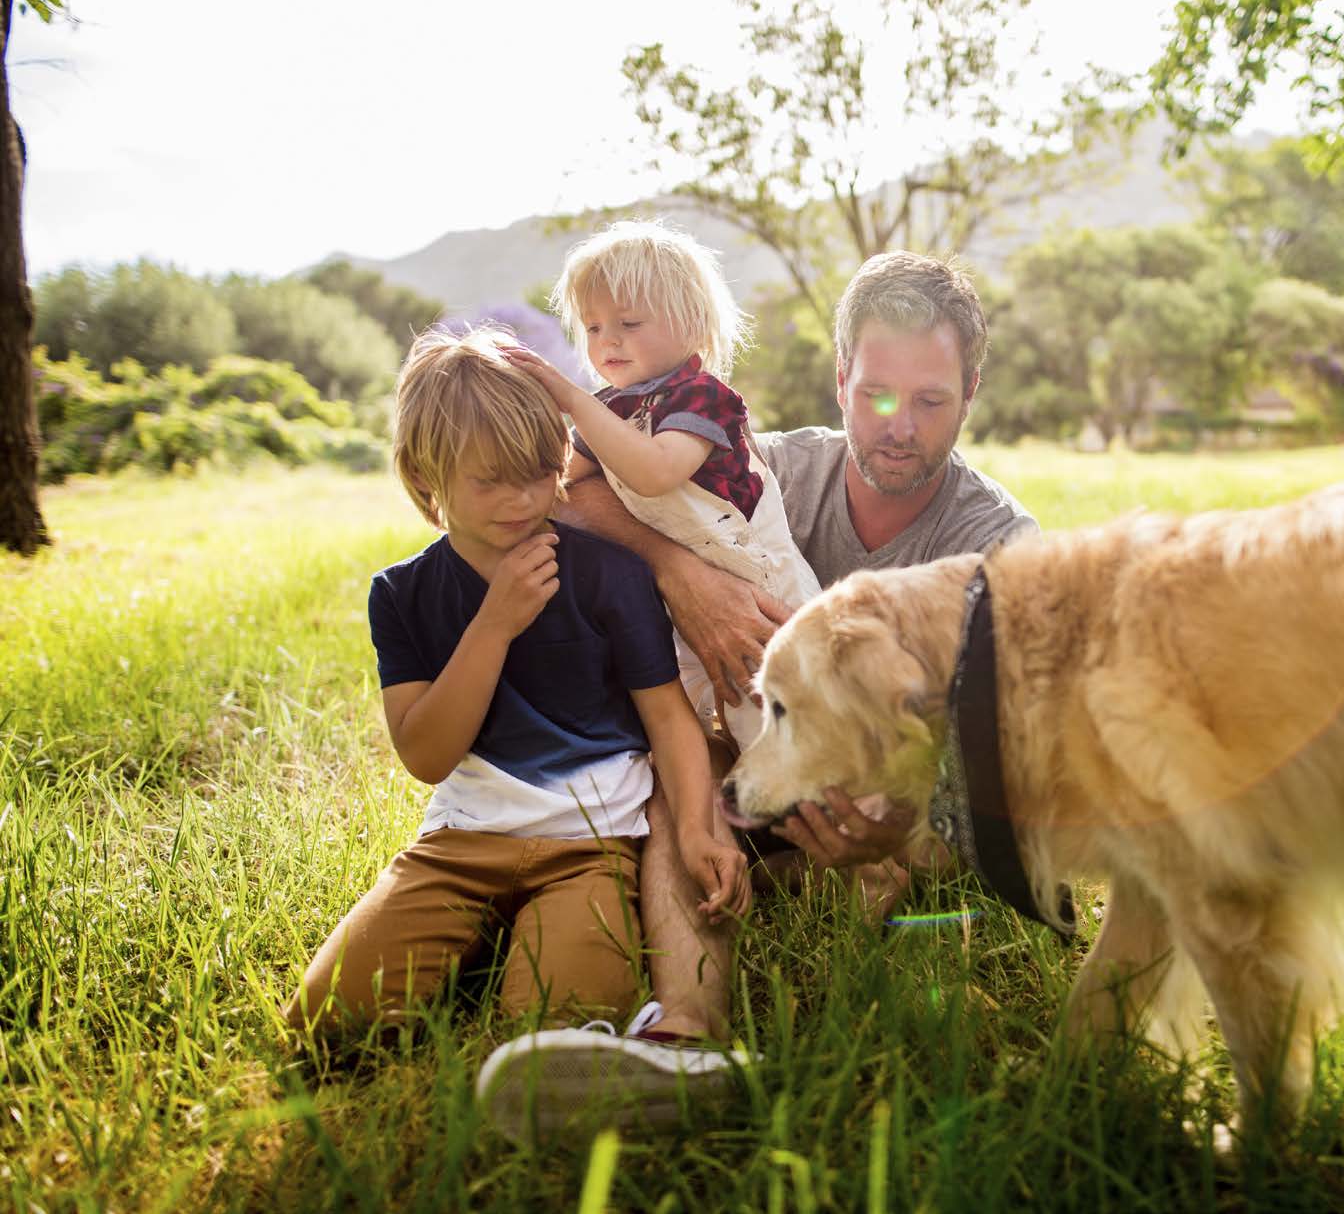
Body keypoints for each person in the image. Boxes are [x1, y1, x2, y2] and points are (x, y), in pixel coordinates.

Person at [475, 250, 1035, 1127]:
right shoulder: (766, 462)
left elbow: (1005, 751)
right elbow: (575, 499)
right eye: (876, 394)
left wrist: (898, 816)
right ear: (841, 377)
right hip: (752, 769)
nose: (899, 426)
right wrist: (680, 573)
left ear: (970, 393)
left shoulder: (996, 543)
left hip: (901, 799)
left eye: (931, 401)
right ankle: (689, 1042)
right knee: (675, 775)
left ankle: (872, 910)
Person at [284, 326, 749, 1050]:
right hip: (459, 844)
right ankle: (474, 942)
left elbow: (669, 719)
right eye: (489, 479)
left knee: (556, 1028)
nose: (523, 498)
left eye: (538, 472)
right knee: (328, 1023)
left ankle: (528, 959)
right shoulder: (401, 595)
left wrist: (693, 827)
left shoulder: (608, 574)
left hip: (590, 845)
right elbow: (427, 754)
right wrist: (493, 625)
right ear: (421, 477)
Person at [506, 219, 820, 753]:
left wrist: (572, 400)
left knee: (805, 720)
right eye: (593, 327)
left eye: (628, 322)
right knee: (734, 728)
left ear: (693, 325)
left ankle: (843, 817)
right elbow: (563, 486)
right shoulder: (609, 410)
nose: (608, 341)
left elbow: (654, 472)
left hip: (765, 589)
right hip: (686, 615)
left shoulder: (701, 398)